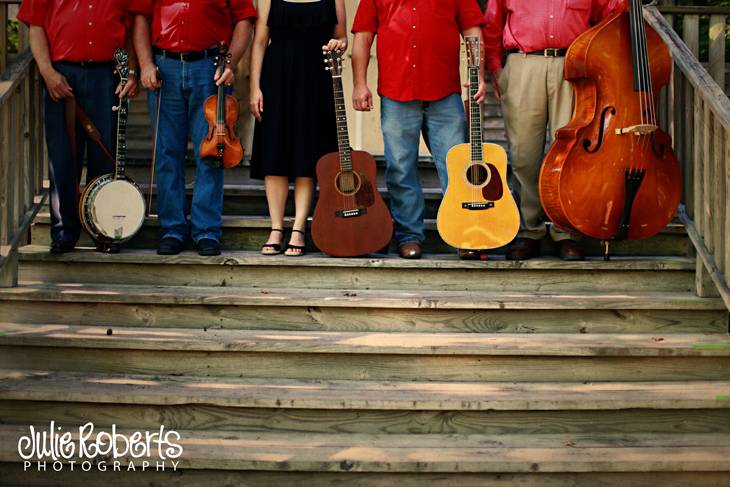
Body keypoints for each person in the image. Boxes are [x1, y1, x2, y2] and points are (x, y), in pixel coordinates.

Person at [484, 0, 625, 261]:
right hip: (524, 64)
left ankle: (568, 231)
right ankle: (529, 231)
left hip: (573, 66)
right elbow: (492, 24)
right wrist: (496, 68)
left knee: (570, 153)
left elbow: (608, 14)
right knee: (524, 154)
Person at [351, 0, 486, 260]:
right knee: (400, 168)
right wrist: (359, 83)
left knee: (457, 167)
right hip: (396, 90)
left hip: (444, 90)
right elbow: (363, 36)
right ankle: (409, 236)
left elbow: (472, 31)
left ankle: (465, 233)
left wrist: (477, 75)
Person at [131, 0, 256, 256]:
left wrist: (230, 64)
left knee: (212, 151)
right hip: (165, 67)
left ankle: (206, 230)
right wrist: (144, 64)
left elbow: (244, 20)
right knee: (167, 153)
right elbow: (141, 18)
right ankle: (172, 229)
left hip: (210, 67)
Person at [18, 0, 139, 254]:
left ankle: (104, 229)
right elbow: (36, 25)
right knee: (62, 156)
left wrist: (130, 71)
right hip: (62, 74)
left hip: (107, 74)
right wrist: (48, 72)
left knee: (105, 156)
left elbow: (130, 28)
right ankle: (64, 231)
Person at [250, 0, 347, 257]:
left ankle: (299, 228)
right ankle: (276, 228)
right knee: (275, 153)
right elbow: (260, 41)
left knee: (308, 154)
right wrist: (254, 88)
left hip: (317, 79)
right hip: (276, 77)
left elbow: (342, 38)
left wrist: (340, 44)